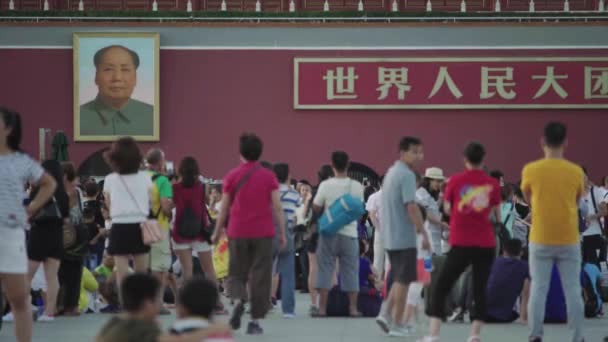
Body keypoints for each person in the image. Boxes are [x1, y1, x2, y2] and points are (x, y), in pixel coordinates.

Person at [420, 141, 501, 342]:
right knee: (480, 289)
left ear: (465, 159)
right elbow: (497, 215)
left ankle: (434, 334)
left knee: (441, 286)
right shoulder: (492, 184)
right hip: (485, 243)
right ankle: (474, 335)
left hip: (461, 242)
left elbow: (447, 209)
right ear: (483, 160)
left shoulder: (455, 181)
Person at [211, 133, 286, 335]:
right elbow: (277, 207)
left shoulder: (232, 176)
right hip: (263, 232)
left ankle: (237, 301)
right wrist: (283, 233)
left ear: (241, 152)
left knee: (236, 272)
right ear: (260, 152)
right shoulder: (268, 176)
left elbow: (224, 208)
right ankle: (255, 321)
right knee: (261, 275)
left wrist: (217, 231)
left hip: (237, 231)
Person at [521, 121, 585, 342]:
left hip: (540, 236)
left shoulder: (530, 170)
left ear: (542, 142)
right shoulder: (576, 171)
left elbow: (529, 199)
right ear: (565, 142)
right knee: (573, 290)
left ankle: (535, 335)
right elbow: (576, 201)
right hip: (569, 237)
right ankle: (578, 337)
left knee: (538, 289)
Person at [0, 108, 56, 342]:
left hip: (11, 235)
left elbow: (48, 183)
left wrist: (32, 208)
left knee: (19, 298)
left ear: (8, 129)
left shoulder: (21, 161)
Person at [376, 137, 430, 337]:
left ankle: (385, 313)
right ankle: (397, 323)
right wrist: (423, 232)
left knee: (399, 277)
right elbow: (411, 206)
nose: (419, 156)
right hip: (404, 236)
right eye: (415, 152)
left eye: (421, 152)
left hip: (390, 235)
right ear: (403, 152)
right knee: (403, 281)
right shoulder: (407, 175)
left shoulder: (391, 172)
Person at [311, 151, 364, 318]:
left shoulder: (325, 185)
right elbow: (360, 211)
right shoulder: (356, 186)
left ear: (332, 165)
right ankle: (353, 309)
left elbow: (317, 207)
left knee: (325, 268)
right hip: (350, 234)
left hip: (328, 233)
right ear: (348, 165)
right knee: (350, 270)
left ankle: (322, 309)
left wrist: (329, 212)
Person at [172, 157, 223, 312]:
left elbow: (171, 206)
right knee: (209, 269)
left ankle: (188, 304)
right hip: (200, 231)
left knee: (187, 270)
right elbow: (208, 203)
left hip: (180, 232)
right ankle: (216, 302)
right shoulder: (202, 187)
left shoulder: (175, 187)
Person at [103, 137, 154, 288]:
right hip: (140, 224)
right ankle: (140, 305)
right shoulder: (146, 178)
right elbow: (150, 201)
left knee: (122, 271)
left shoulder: (110, 179)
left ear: (115, 158)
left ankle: (126, 305)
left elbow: (108, 202)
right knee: (141, 271)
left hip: (119, 225)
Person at [27, 160, 71, 322]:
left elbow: (30, 211)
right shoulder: (63, 194)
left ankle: (20, 309)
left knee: (27, 275)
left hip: (39, 233)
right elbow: (66, 219)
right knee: (52, 276)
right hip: (57, 236)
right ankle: (49, 312)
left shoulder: (39, 189)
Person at [79, 45, 154, 137]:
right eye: (108, 69)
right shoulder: (77, 117)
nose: (117, 77)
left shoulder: (153, 116)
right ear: (96, 77)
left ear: (135, 78)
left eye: (125, 69)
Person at [145, 148, 174, 315]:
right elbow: (165, 206)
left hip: (141, 225)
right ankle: (157, 303)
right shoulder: (162, 180)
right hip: (159, 226)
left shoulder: (139, 177)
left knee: (144, 265)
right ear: (160, 162)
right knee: (159, 267)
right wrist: (170, 209)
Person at [58, 161, 87, 317]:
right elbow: (78, 215)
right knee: (75, 273)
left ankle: (62, 305)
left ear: (63, 175)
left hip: (64, 235)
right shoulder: (77, 192)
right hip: (79, 235)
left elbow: (66, 215)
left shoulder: (60, 192)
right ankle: (72, 306)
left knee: (62, 272)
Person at [273, 163, 301, 318]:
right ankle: (288, 310)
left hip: (269, 234)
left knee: (266, 271)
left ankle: (261, 304)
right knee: (288, 274)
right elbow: (299, 212)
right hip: (288, 234)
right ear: (288, 175)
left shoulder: (270, 193)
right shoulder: (294, 194)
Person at [306, 165, 333, 313]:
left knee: (313, 268)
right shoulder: (332, 193)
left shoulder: (313, 193)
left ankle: (313, 303)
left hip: (314, 233)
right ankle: (329, 302)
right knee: (332, 268)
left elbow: (309, 215)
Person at [485, 238, 530, 323]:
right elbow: (526, 293)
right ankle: (523, 317)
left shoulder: (494, 262)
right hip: (502, 317)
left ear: (504, 251)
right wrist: (524, 318)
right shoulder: (525, 267)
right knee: (526, 284)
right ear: (521, 252)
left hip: (478, 314)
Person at [417, 167, 448, 256]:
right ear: (429, 181)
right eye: (437, 181)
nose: (439, 184)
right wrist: (441, 223)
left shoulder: (429, 195)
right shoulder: (421, 194)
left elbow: (434, 210)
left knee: (434, 265)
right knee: (429, 266)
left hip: (435, 237)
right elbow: (425, 214)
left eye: (440, 181)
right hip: (428, 237)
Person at [581, 168, 607, 269]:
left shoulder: (596, 191)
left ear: (587, 177)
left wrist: (593, 216)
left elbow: (605, 210)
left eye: (582, 176)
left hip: (594, 234)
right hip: (579, 237)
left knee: (596, 266)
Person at [366, 178, 386, 279]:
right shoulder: (374, 197)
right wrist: (379, 229)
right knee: (382, 259)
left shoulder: (374, 197)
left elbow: (372, 215)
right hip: (385, 231)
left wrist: (379, 229)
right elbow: (372, 215)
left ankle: (380, 284)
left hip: (385, 231)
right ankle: (381, 283)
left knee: (380, 259)